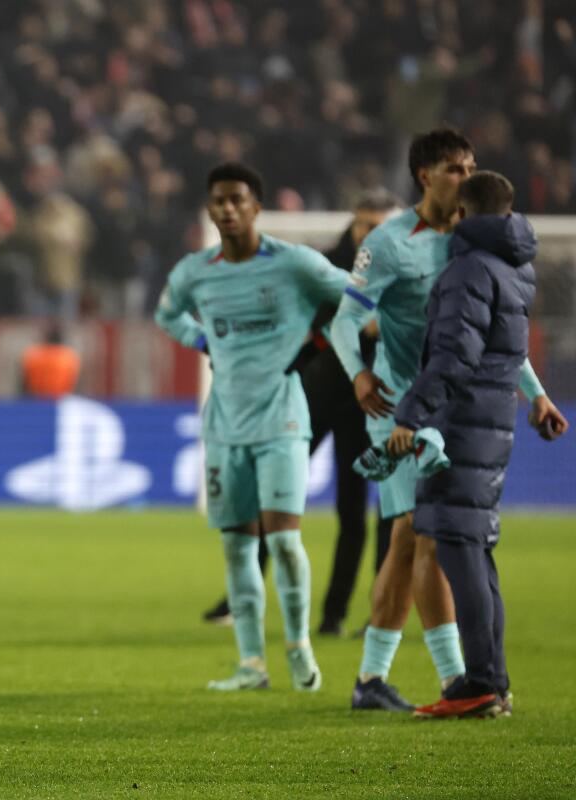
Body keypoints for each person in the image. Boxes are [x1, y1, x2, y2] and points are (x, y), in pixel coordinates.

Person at [330, 129, 563, 712]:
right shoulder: (388, 243)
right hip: (401, 409)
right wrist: (359, 374)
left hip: (452, 414)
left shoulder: (472, 243)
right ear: (424, 177)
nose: (466, 175)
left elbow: (488, 337)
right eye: (455, 168)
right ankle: (458, 680)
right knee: (421, 532)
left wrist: (535, 393)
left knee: (414, 541)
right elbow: (342, 321)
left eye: (470, 165)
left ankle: (375, 680)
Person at [155, 162, 349, 692]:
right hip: (224, 424)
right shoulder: (197, 271)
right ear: (210, 208)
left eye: (238, 199)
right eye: (219, 200)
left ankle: (299, 650)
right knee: (238, 547)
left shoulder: (294, 265)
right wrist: (203, 343)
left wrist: (315, 345)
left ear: (256, 207)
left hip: (282, 421)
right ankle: (250, 665)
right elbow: (167, 313)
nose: (228, 209)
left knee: (284, 542)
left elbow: (353, 297)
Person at [388, 171, 568, 718]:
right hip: (494, 422)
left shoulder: (467, 268)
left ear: (463, 213)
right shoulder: (516, 266)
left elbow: (453, 355)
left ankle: (482, 683)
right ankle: (493, 681)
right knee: (476, 550)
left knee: (460, 552)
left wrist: (410, 415)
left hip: (461, 425)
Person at [306, 189, 401, 635]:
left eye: (383, 225)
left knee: (378, 513)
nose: (373, 234)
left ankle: (368, 615)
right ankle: (241, 598)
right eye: (366, 225)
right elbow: (321, 323)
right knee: (276, 499)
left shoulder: (408, 265)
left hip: (378, 404)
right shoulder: (328, 265)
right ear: (354, 224)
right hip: (323, 397)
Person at [21, 323, 80, 399]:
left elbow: (24, 383)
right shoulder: (69, 356)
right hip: (60, 400)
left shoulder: (33, 354)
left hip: (35, 400)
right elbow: (74, 384)